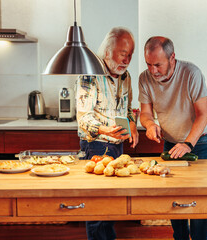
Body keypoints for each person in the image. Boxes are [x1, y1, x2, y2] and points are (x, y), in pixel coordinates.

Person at [138, 36, 207, 240]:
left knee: (198, 197)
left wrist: (189, 143)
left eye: (157, 65)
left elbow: (202, 114)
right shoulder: (145, 78)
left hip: (199, 141)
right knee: (174, 196)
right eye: (148, 64)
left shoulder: (191, 73)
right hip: (172, 142)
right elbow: (145, 114)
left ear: (172, 58)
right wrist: (150, 124)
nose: (152, 70)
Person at [76, 27, 138, 240]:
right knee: (96, 207)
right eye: (123, 54)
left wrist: (133, 125)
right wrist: (104, 129)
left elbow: (129, 110)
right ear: (108, 50)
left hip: (117, 147)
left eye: (130, 55)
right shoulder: (90, 73)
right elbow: (83, 118)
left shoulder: (126, 76)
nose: (127, 60)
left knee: (111, 205)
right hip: (95, 146)